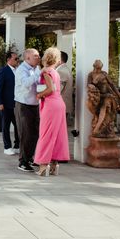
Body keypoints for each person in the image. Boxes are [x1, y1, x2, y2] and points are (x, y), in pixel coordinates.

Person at [34, 47, 70, 176]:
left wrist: (39, 95)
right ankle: (55, 165)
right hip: (59, 103)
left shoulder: (46, 71)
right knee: (58, 134)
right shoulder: (55, 72)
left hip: (51, 105)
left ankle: (43, 165)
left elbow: (50, 89)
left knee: (46, 134)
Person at [14, 48, 42, 172]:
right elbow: (26, 83)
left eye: (38, 55)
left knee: (35, 133)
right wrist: (38, 74)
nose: (38, 57)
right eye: (35, 56)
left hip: (35, 104)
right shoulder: (21, 70)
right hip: (24, 105)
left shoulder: (36, 69)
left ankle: (29, 157)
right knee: (26, 134)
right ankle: (23, 162)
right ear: (27, 58)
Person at [0, 51, 19, 155]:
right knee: (6, 126)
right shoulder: (3, 71)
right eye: (15, 59)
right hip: (5, 104)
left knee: (18, 125)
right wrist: (0, 102)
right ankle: (7, 147)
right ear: (8, 59)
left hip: (16, 103)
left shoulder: (18, 71)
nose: (17, 61)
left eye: (18, 59)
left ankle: (17, 145)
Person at [56, 51, 74, 122]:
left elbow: (57, 89)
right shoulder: (64, 69)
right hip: (63, 104)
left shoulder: (61, 71)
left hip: (60, 105)